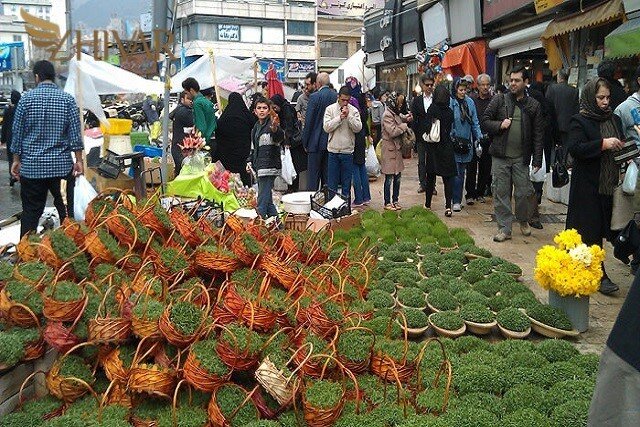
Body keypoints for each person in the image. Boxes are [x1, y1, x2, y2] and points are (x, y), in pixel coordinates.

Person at [11, 60, 84, 237]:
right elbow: (75, 134)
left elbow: (17, 133)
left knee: (30, 213)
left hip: (32, 169)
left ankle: (27, 255)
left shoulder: (25, 100)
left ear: (37, 77)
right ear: (53, 76)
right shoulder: (67, 100)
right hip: (61, 170)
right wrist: (79, 160)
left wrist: (16, 160)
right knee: (66, 212)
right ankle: (73, 251)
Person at [566, 78, 624, 295]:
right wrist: (602, 144)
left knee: (604, 228)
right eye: (600, 97)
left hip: (609, 184)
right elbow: (576, 148)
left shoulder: (614, 119)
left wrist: (621, 147)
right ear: (591, 97)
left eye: (607, 97)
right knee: (588, 231)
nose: (605, 102)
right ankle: (597, 274)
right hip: (588, 186)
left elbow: (619, 140)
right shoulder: (580, 120)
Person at [481, 65, 544, 243]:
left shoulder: (533, 105)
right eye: (511, 80)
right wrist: (499, 125)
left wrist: (537, 158)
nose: (513, 84)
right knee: (501, 192)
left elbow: (539, 134)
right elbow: (485, 121)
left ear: (526, 82)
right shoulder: (499, 100)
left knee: (524, 193)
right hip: (500, 156)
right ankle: (504, 228)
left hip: (521, 157)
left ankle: (523, 219)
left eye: (517, 80)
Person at [246, 97, 284, 219]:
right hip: (259, 167)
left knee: (261, 201)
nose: (262, 111)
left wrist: (274, 129)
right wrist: (249, 162)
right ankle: (278, 225)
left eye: (264, 108)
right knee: (267, 202)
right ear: (255, 111)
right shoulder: (255, 128)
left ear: (268, 111)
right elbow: (253, 148)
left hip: (270, 167)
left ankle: (257, 228)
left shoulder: (272, 124)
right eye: (259, 108)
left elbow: (279, 136)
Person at [323, 85, 362, 199]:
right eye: (343, 99)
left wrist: (348, 116)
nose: (345, 102)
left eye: (347, 100)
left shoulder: (353, 110)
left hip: (347, 151)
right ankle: (332, 207)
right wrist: (339, 118)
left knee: (346, 184)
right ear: (338, 97)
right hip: (333, 151)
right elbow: (326, 127)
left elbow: (358, 128)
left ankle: (345, 208)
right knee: (332, 184)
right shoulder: (330, 109)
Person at [450, 77, 482, 211]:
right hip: (454, 141)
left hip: (467, 142)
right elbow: (449, 121)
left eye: (465, 89)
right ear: (455, 89)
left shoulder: (470, 103)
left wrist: (478, 137)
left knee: (462, 171)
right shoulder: (451, 103)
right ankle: (455, 199)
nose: (463, 92)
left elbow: (475, 121)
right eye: (460, 89)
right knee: (456, 172)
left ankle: (457, 198)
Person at [424, 85, 457, 216]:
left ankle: (427, 204)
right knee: (447, 178)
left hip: (433, 147)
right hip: (446, 146)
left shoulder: (432, 109)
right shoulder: (449, 111)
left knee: (430, 177)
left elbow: (427, 126)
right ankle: (448, 206)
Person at [302, 72, 337, 191]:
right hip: (331, 141)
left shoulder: (314, 97)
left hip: (315, 142)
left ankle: (312, 203)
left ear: (319, 83)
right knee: (328, 177)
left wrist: (305, 142)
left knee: (313, 178)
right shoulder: (335, 96)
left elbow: (309, 122)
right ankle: (327, 203)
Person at [215, 92, 255, 186]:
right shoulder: (246, 115)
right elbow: (254, 124)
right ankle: (246, 190)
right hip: (242, 152)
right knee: (243, 174)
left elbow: (218, 132)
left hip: (227, 154)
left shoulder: (225, 117)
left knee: (229, 178)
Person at [380, 93, 412, 210]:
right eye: (398, 103)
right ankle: (387, 202)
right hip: (389, 149)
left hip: (396, 149)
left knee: (398, 177)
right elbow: (392, 131)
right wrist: (404, 126)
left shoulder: (394, 113)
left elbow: (399, 118)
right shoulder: (387, 115)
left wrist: (406, 118)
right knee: (389, 178)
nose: (400, 106)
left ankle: (395, 200)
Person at [271, 93, 307, 191]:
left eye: (275, 107)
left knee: (293, 166)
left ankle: (293, 188)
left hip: (293, 143)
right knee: (292, 166)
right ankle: (291, 188)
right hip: (292, 143)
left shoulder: (286, 109)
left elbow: (289, 126)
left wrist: (286, 141)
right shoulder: (285, 108)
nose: (274, 109)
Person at [469, 74, 494, 202]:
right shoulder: (472, 100)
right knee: (472, 167)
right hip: (474, 138)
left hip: (488, 138)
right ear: (477, 86)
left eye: (487, 85)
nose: (485, 87)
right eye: (482, 85)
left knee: (485, 167)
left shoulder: (493, 100)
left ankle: (480, 192)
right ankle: (470, 193)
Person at [411, 73, 435, 194]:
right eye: (427, 85)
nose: (429, 87)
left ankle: (432, 185)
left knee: (433, 160)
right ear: (422, 85)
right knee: (421, 160)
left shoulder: (435, 99)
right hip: (421, 135)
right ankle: (422, 183)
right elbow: (414, 118)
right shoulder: (417, 100)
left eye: (431, 85)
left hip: (434, 134)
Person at [182, 77, 217, 156]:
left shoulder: (197, 103)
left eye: (186, 93)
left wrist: (197, 144)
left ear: (191, 90)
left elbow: (201, 126)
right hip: (214, 139)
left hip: (206, 142)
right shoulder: (206, 101)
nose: (186, 96)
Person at [546, 69, 579, 148]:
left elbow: (547, 105)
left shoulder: (551, 88)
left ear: (559, 77)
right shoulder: (574, 90)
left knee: (553, 149)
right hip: (569, 124)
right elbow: (576, 109)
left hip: (553, 124)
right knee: (566, 149)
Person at [351, 94, 371, 207]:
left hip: (354, 140)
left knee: (355, 169)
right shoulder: (364, 110)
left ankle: (358, 198)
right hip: (362, 139)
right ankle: (366, 196)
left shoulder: (353, 107)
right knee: (362, 168)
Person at [169, 90, 194, 176]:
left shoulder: (178, 109)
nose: (191, 101)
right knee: (182, 173)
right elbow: (193, 121)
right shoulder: (184, 111)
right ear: (182, 99)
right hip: (181, 148)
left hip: (178, 146)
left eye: (191, 99)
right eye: (188, 99)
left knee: (179, 170)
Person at [1, 90, 21, 186]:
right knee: (21, 158)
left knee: (11, 158)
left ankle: (12, 175)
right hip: (20, 137)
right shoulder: (21, 109)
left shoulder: (8, 110)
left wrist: (2, 139)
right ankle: (21, 175)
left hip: (10, 137)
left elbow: (4, 125)